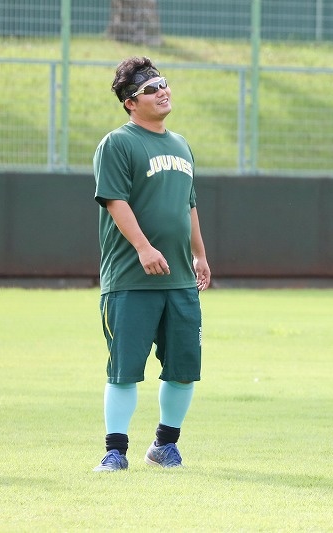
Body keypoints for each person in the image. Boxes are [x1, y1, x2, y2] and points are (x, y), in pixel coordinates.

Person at [92, 56, 211, 472]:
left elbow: (189, 205)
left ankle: (164, 445)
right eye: (150, 89)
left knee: (183, 369)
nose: (162, 91)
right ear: (130, 102)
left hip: (179, 280)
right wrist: (143, 247)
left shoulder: (181, 145)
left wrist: (200, 254)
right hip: (131, 279)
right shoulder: (118, 143)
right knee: (124, 370)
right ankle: (115, 451)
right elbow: (114, 200)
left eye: (163, 84)